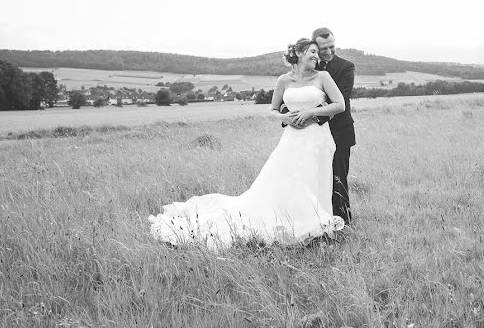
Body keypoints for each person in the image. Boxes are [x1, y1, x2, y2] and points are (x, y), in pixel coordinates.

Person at [148, 38, 346, 250]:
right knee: (287, 180)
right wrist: (284, 118)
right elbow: (272, 109)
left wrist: (311, 111)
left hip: (317, 138)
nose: (317, 56)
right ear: (298, 53)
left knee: (315, 179)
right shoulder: (283, 81)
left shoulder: (323, 77)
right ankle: (291, 225)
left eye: (317, 52)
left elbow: (340, 105)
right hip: (292, 138)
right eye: (312, 52)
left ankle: (317, 226)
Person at [311, 27, 355, 224]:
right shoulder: (309, 69)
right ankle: (317, 218)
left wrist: (312, 115)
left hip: (340, 131)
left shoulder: (346, 67)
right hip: (312, 133)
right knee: (315, 176)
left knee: (339, 177)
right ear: (314, 48)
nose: (329, 51)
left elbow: (341, 100)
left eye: (332, 46)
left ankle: (342, 220)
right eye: (324, 48)